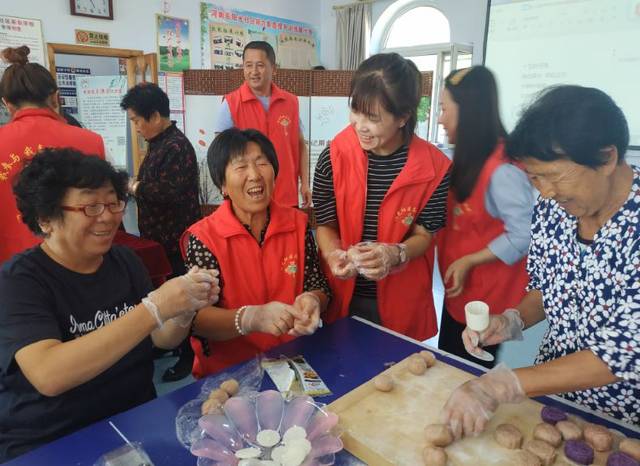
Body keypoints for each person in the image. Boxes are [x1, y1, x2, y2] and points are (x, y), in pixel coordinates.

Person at [443, 85, 640, 437]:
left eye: (554, 176)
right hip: (553, 400)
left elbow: (620, 353)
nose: (546, 192)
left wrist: (499, 385)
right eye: (535, 178)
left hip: (622, 420)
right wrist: (512, 320)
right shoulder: (553, 210)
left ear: (607, 158)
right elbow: (546, 290)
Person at [0, 148, 218, 461]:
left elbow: (161, 338)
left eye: (114, 202)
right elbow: (49, 374)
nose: (108, 216)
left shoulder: (125, 261)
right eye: (90, 206)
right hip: (51, 436)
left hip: (133, 418)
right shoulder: (19, 281)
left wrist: (182, 309)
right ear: (46, 218)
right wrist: (154, 308)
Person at [313, 53, 451, 340]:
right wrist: (333, 253)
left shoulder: (435, 167)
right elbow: (325, 224)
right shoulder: (334, 156)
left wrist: (396, 253)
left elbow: (425, 234)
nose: (359, 125)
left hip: (402, 299)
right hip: (343, 295)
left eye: (372, 118)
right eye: (355, 111)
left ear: (403, 117)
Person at [183, 128, 330, 376]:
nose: (254, 175)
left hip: (293, 360)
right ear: (223, 185)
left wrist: (313, 301)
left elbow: (318, 285)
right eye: (241, 167)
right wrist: (251, 318)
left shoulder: (298, 223)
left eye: (262, 162)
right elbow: (196, 319)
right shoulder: (204, 237)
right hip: (230, 370)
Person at [435, 66, 533, 367]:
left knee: (468, 378)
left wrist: (470, 260)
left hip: (486, 305)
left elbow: (524, 234)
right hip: (459, 297)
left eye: (443, 109)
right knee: (448, 369)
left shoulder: (502, 169)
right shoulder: (467, 158)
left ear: (468, 113)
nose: (440, 118)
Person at [121, 82, 201, 381]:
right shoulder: (159, 145)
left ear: (154, 116)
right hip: (159, 239)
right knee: (165, 296)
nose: (137, 127)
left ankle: (188, 356)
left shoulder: (176, 146)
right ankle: (170, 344)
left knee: (186, 300)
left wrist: (134, 186)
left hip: (176, 239)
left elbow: (168, 193)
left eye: (137, 120)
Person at [0, 45, 105, 264]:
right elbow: (99, 207)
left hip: (12, 265)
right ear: (56, 98)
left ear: (7, 104)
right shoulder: (90, 141)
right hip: (78, 261)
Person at [214, 41, 311, 208]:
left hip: (286, 196)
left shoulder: (290, 102)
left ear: (273, 68)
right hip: (249, 195)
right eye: (248, 65)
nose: (253, 72)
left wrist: (305, 183)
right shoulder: (231, 103)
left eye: (260, 65)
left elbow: (300, 146)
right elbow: (220, 154)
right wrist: (224, 185)